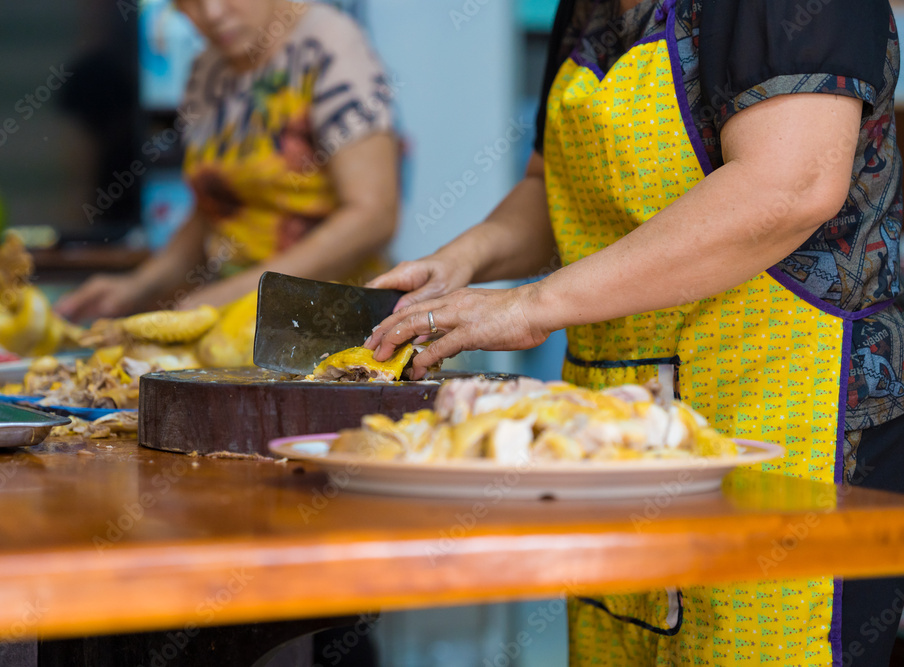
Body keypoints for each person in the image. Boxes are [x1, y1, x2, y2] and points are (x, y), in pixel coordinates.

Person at [365, 0, 904, 664]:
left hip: (782, 420)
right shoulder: (587, 8)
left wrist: (535, 305)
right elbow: (551, 186)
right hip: (616, 444)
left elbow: (788, 185)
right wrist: (466, 258)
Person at [57, 0, 399, 321]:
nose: (212, 13)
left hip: (333, 319)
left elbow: (373, 215)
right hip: (241, 323)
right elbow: (215, 211)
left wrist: (236, 293)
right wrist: (138, 286)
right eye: (188, 1)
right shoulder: (207, 69)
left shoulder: (328, 44)